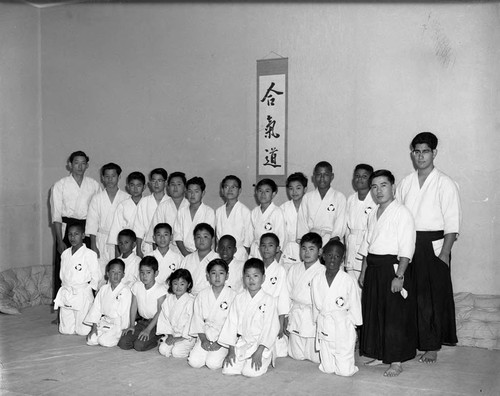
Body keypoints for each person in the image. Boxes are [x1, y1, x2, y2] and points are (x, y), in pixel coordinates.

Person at [396, 132, 461, 364]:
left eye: (425, 151)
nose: (421, 156)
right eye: (417, 151)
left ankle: (432, 345)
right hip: (409, 243)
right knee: (410, 294)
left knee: (432, 297)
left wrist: (444, 252)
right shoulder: (405, 182)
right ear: (412, 154)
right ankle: (414, 340)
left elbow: (452, 222)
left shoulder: (445, 183)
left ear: (434, 153)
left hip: (435, 246)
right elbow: (399, 217)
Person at [358, 170, 417, 377]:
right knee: (374, 313)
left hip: (391, 268)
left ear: (393, 186)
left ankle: (396, 360)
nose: (378, 190)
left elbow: (407, 248)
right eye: (374, 186)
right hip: (373, 268)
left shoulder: (402, 212)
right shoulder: (374, 213)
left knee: (393, 316)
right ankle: (379, 353)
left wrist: (399, 276)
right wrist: (364, 271)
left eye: (383, 185)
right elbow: (367, 246)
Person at [50, 150, 101, 300]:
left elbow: (97, 214)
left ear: (87, 165)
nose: (79, 166)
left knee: (88, 264)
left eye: (83, 163)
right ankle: (61, 306)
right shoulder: (60, 185)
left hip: (87, 227)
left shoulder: (93, 185)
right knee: (64, 266)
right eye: (76, 163)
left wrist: (93, 240)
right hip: (67, 228)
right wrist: (59, 240)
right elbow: (56, 216)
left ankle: (89, 304)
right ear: (70, 165)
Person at [219, 258, 280, 377]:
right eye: (247, 276)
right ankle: (243, 358)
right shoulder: (239, 298)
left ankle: (263, 360)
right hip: (244, 342)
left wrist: (259, 352)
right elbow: (231, 324)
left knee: (249, 372)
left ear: (263, 278)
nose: (251, 280)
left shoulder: (269, 300)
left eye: (255, 276)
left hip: (261, 345)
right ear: (243, 279)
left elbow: (270, 328)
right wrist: (231, 350)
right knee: (228, 369)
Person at [311, 240, 362, 376]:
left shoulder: (348, 280)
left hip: (342, 326)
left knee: (345, 372)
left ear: (342, 259)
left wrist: (354, 327)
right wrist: (317, 323)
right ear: (323, 256)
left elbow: (355, 305)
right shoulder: (317, 279)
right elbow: (316, 306)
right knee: (328, 369)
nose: (333, 259)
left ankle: (348, 362)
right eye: (329, 255)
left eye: (337, 256)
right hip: (325, 323)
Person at [188, 259, 237, 369]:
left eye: (221, 273)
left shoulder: (233, 295)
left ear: (227, 275)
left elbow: (233, 324)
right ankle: (202, 347)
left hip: (224, 338)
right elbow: (197, 320)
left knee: (213, 364)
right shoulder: (202, 295)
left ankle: (224, 352)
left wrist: (220, 343)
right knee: (194, 362)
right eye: (213, 273)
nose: (217, 277)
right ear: (208, 276)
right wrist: (204, 339)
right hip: (205, 333)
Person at [53, 223, 101, 336]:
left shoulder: (90, 254)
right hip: (67, 292)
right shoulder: (65, 254)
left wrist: (89, 290)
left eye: (76, 234)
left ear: (83, 235)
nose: (72, 237)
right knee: (65, 331)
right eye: (70, 234)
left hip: (82, 293)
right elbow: (63, 275)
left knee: (82, 332)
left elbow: (96, 276)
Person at [86, 163, 130, 284]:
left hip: (120, 240)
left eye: (113, 176)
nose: (110, 179)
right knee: (100, 272)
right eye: (107, 176)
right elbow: (92, 223)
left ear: (119, 177)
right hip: (102, 239)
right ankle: (100, 299)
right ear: (102, 178)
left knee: (120, 271)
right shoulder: (97, 198)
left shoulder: (126, 198)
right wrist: (93, 245)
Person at [286, 232, 325, 363]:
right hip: (296, 313)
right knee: (296, 355)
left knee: (315, 358)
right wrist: (286, 316)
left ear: (320, 251)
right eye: (303, 248)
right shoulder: (294, 269)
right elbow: (287, 294)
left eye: (311, 249)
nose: (306, 252)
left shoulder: (323, 271)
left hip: (313, 317)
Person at [118, 256, 168, 352]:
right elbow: (134, 306)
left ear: (156, 273)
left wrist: (148, 330)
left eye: (148, 272)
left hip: (155, 324)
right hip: (141, 322)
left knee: (139, 346)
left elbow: (160, 312)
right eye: (142, 272)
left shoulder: (160, 289)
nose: (144, 276)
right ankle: (140, 337)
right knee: (123, 343)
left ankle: (157, 337)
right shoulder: (137, 285)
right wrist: (132, 325)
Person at [297, 161, 347, 247]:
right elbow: (302, 223)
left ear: (332, 176)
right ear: (314, 177)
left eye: (326, 175)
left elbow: (341, 223)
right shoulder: (307, 197)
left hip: (332, 241)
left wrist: (333, 242)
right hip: (311, 241)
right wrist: (305, 243)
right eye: (319, 174)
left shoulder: (339, 197)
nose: (322, 178)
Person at [85, 259, 132, 347]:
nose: (116, 275)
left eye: (119, 272)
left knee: (103, 341)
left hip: (118, 324)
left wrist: (123, 328)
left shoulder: (125, 290)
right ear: (107, 274)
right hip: (105, 321)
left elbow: (122, 313)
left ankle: (116, 336)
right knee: (91, 340)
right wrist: (94, 328)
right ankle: (103, 333)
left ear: (123, 275)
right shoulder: (103, 289)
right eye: (113, 271)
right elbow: (96, 309)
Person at [259, 233, 290, 357]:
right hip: (257, 311)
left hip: (273, 313)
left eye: (270, 245)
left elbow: (282, 298)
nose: (266, 249)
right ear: (259, 248)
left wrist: (281, 323)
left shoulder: (280, 270)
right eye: (263, 245)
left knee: (280, 351)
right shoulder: (256, 267)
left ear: (277, 249)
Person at [145, 171, 189, 255]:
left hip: (188, 251)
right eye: (172, 184)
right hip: (167, 251)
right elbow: (155, 232)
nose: (175, 187)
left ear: (185, 188)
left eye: (179, 184)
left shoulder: (190, 206)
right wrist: (158, 256)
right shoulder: (163, 207)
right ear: (168, 187)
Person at [345, 164, 375, 282]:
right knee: (351, 283)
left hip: (366, 245)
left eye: (364, 176)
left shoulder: (375, 199)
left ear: (371, 179)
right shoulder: (351, 199)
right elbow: (347, 228)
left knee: (365, 282)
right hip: (351, 245)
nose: (360, 179)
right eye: (357, 176)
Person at [157, 269, 196, 358]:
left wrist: (179, 338)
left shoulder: (191, 301)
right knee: (162, 350)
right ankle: (171, 343)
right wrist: (170, 335)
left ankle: (193, 347)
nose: (178, 287)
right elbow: (164, 319)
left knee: (176, 352)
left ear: (188, 285)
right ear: (171, 284)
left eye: (182, 284)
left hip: (186, 337)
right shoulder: (169, 299)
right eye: (175, 283)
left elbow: (191, 323)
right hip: (172, 333)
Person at [174, 177, 215, 257]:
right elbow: (177, 235)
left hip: (203, 253)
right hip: (183, 253)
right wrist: (185, 253)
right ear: (186, 193)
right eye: (190, 191)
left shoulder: (208, 212)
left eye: (196, 191)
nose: (192, 195)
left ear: (203, 193)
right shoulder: (181, 211)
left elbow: (209, 236)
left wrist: (196, 255)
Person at [108, 171, 146, 257]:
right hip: (126, 246)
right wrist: (117, 253)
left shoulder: (148, 203)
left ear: (144, 187)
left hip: (145, 245)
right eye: (132, 185)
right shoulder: (122, 205)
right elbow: (116, 229)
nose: (135, 189)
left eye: (139, 185)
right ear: (128, 187)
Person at [133, 168, 169, 257]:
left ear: (165, 183)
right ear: (150, 183)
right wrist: (138, 249)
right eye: (154, 181)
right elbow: (138, 227)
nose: (156, 184)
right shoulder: (144, 202)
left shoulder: (170, 202)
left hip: (167, 245)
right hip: (147, 246)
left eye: (159, 180)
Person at [215, 175, 252, 262]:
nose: (230, 190)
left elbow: (248, 240)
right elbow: (217, 238)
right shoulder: (218, 211)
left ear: (239, 190)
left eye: (233, 187)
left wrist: (242, 255)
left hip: (239, 254)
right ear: (222, 190)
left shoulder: (245, 211)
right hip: (221, 253)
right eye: (226, 187)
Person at [249, 179, 286, 259]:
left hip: (271, 253)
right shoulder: (254, 212)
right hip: (256, 251)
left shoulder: (277, 212)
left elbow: (282, 238)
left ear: (273, 194)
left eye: (267, 191)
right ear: (256, 193)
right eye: (260, 191)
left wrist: (276, 258)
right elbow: (251, 236)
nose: (263, 194)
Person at [179, 223, 219, 296]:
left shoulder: (218, 259)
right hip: (188, 299)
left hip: (209, 299)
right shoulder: (187, 259)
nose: (201, 240)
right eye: (198, 237)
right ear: (194, 239)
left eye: (205, 237)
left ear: (212, 239)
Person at [280, 172, 308, 271]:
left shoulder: (310, 206)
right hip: (288, 250)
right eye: (291, 188)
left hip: (307, 250)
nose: (294, 192)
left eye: (298, 188)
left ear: (305, 189)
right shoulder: (283, 208)